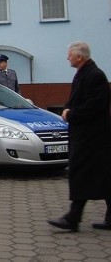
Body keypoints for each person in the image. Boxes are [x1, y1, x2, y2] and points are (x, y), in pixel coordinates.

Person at [48, 41, 111, 232]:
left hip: (92, 137)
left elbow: (95, 106)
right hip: (86, 136)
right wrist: (67, 108)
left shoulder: (95, 75)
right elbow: (77, 99)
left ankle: (73, 218)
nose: (67, 57)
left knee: (82, 174)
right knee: (101, 176)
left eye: (70, 54)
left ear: (79, 57)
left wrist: (71, 114)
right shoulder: (85, 73)